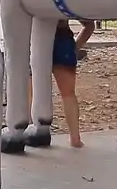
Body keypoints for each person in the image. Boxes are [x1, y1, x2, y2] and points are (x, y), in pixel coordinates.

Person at [28, 19, 95, 148]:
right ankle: (75, 138)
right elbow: (89, 25)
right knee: (68, 94)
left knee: (32, 90)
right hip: (62, 40)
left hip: (36, 39)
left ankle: (33, 131)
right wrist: (75, 46)